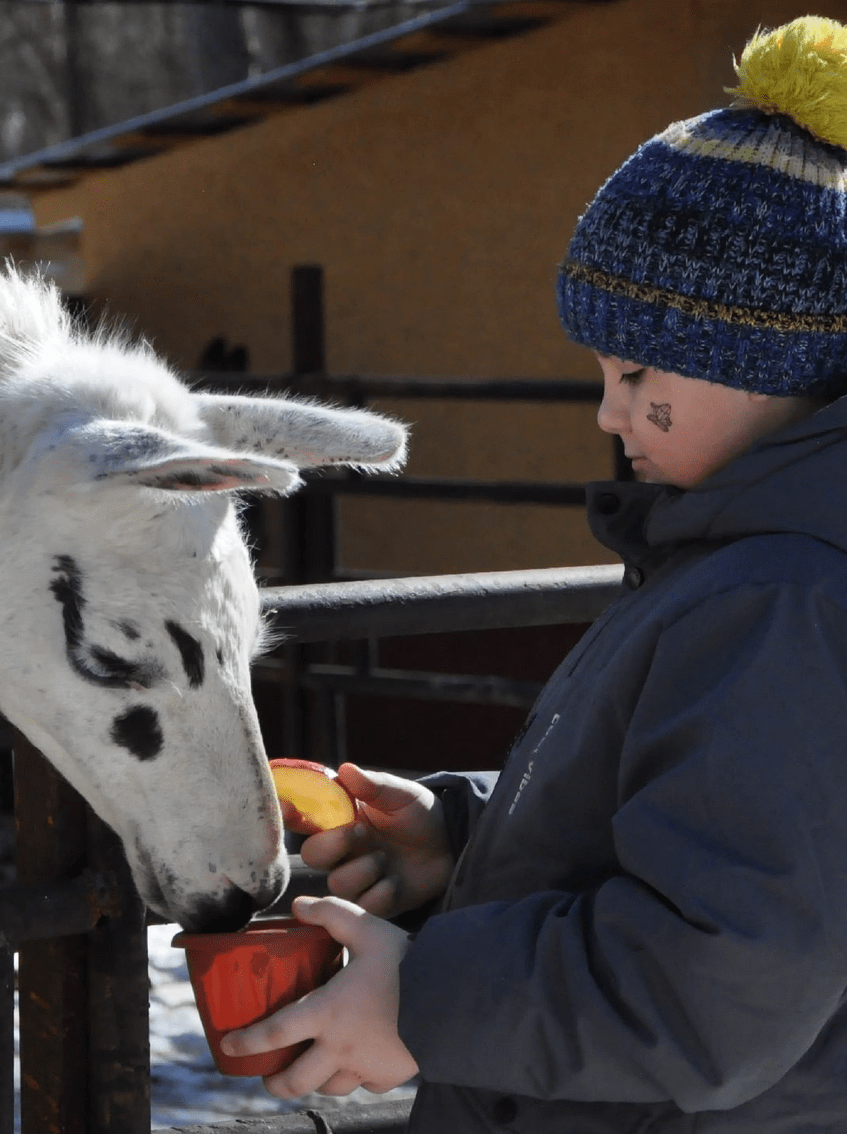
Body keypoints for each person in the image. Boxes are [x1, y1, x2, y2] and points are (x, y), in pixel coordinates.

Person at [220, 15, 847, 1132]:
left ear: (771, 366)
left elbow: (715, 990)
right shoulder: (734, 565)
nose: (609, 411)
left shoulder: (778, 599)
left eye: (636, 369)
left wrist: (421, 999)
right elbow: (712, 832)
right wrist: (466, 841)